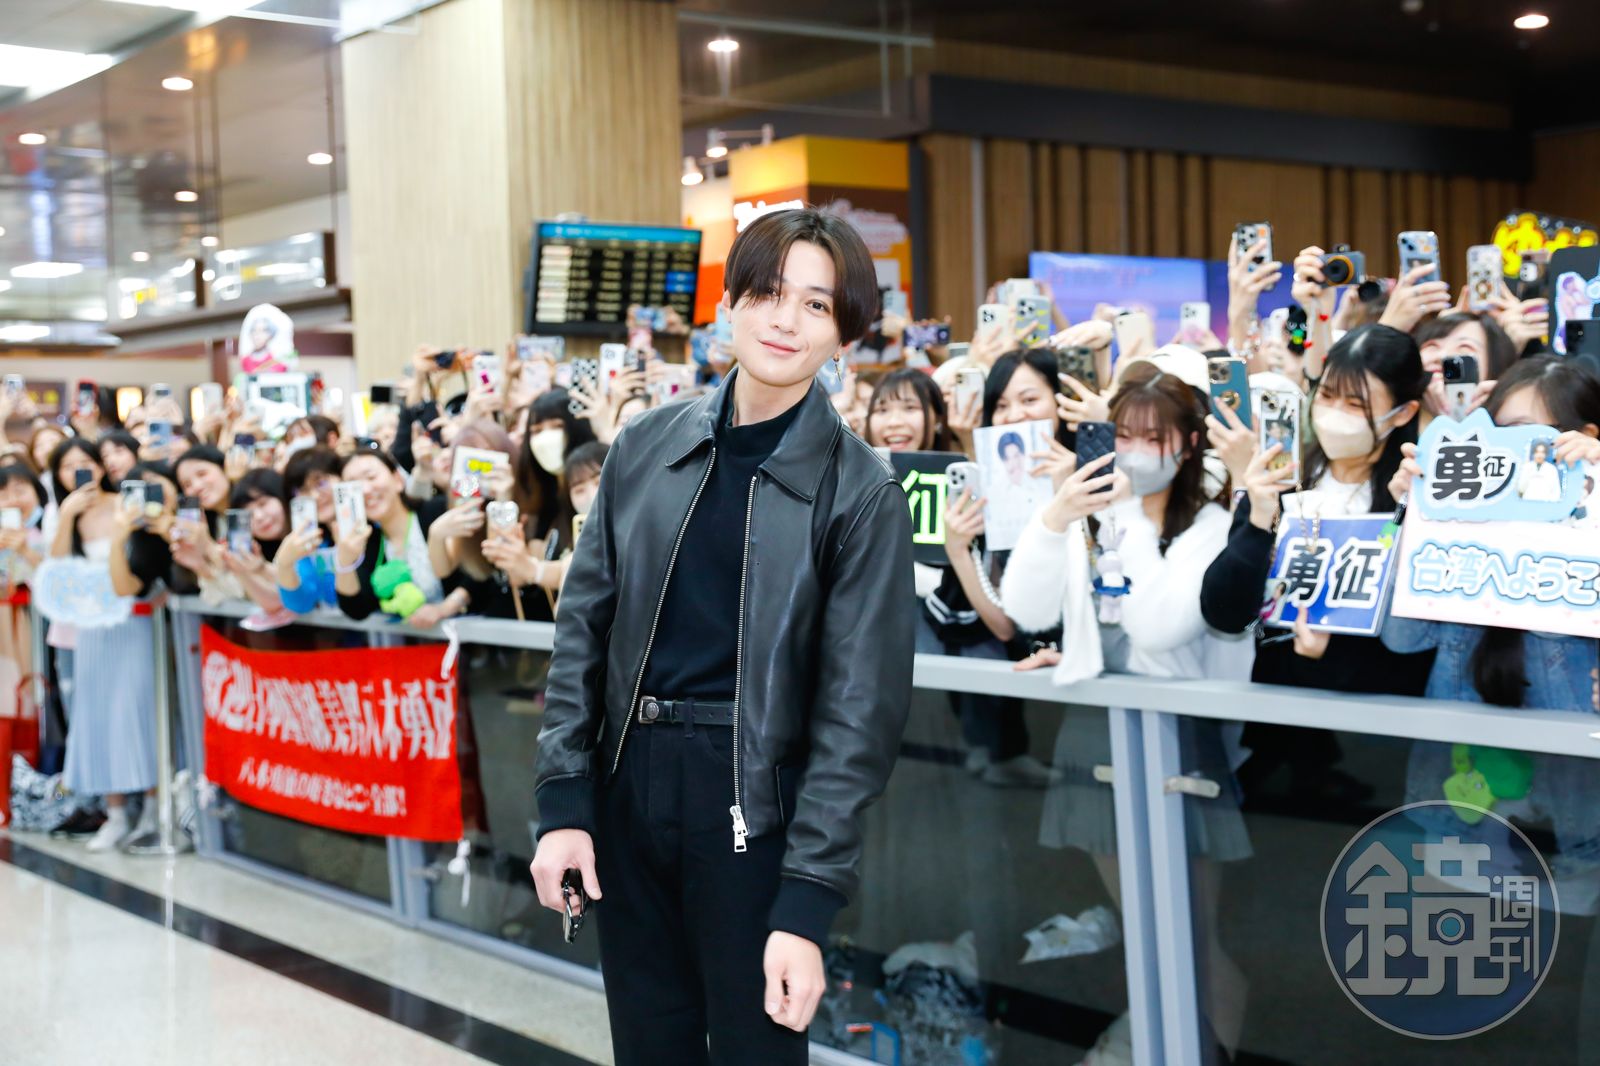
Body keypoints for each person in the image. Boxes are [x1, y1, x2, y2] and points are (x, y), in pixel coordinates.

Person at [530, 206, 914, 1064]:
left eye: (816, 305)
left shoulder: (861, 492)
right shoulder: (644, 447)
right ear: (730, 304)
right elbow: (582, 633)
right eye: (769, 293)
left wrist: (807, 901)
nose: (786, 320)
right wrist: (565, 804)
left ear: (844, 334)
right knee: (649, 1047)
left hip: (755, 809)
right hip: (630, 790)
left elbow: (859, 718)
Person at [1383, 354, 1600, 913]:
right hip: (1457, 821)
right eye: (1498, 435)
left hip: (1571, 834)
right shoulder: (1465, 529)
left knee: (1563, 953)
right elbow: (1401, 639)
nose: (1506, 454)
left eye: (1527, 436)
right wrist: (1412, 514)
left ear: (1586, 439)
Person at [1200, 324, 1435, 803]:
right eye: (1327, 396)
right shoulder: (1285, 477)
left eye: (1356, 404)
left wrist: (1330, 659)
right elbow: (1224, 612)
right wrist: (1258, 517)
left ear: (1404, 412)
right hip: (1271, 724)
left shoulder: (1410, 494)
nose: (1334, 414)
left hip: (1374, 745)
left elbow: (1417, 650)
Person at [48, 439, 165, 851]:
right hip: (92, 627)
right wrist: (67, 516)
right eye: (68, 467)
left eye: (85, 462)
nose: (79, 471)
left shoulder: (125, 504)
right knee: (97, 715)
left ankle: (152, 807)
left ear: (101, 467)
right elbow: (57, 567)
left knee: (139, 711)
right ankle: (115, 814)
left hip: (134, 620)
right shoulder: (68, 516)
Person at [332, 449, 451, 626]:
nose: (365, 490)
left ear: (397, 480)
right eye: (354, 485)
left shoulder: (437, 512)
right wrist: (345, 561)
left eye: (371, 477)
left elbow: (475, 577)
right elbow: (357, 609)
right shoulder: (368, 542)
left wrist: (445, 608)